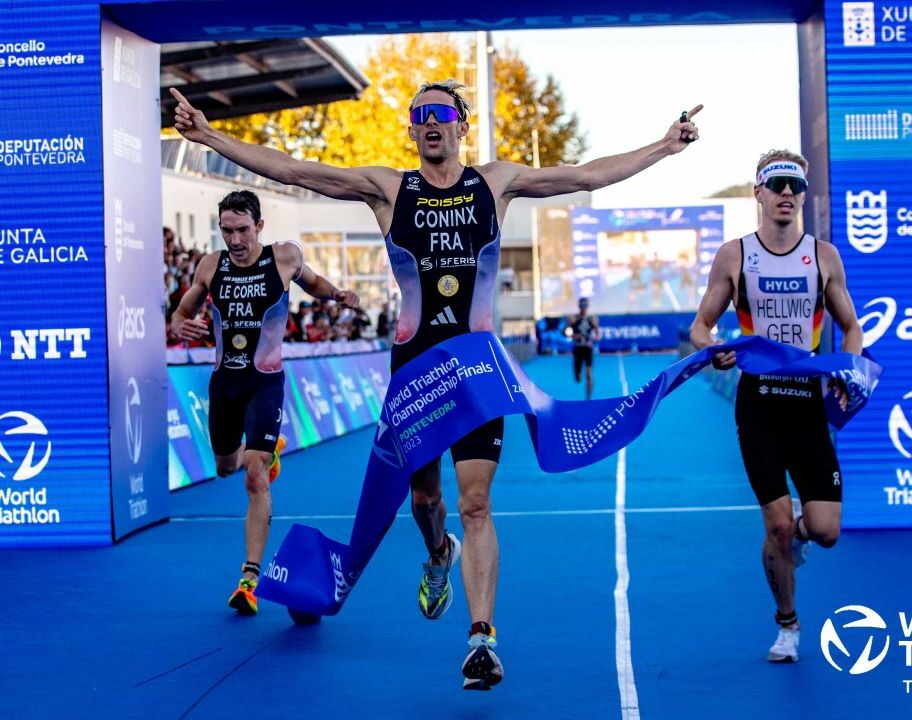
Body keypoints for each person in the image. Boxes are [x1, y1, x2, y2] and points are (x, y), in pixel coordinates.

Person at [171, 81, 701, 689]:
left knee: (476, 501)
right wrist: (208, 135)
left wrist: (662, 147)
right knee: (425, 501)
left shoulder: (494, 184)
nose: (430, 123)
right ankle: (436, 553)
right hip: (415, 373)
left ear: (461, 126)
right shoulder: (390, 190)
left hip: (476, 369)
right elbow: (295, 168)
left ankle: (481, 640)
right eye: (420, 115)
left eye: (441, 114)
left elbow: (583, 176)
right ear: (412, 130)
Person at [690, 150, 862, 663]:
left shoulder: (824, 256)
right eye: (777, 185)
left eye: (795, 186)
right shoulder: (735, 255)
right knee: (778, 526)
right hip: (758, 402)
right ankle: (787, 624)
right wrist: (712, 348)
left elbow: (850, 327)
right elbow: (701, 326)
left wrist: (848, 371)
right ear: (759, 194)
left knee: (824, 531)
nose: (787, 194)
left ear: (802, 196)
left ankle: (801, 538)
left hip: (807, 402)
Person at [171, 190, 359, 616]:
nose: (235, 240)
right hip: (224, 384)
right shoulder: (210, 265)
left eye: (242, 230)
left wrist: (339, 295)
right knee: (226, 467)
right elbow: (181, 313)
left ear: (259, 226)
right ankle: (265, 453)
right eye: (226, 230)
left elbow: (314, 284)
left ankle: (249, 578)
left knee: (255, 475)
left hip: (265, 381)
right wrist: (183, 325)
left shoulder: (284, 257)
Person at [568, 297, 600, 399]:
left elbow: (598, 333)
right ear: (579, 306)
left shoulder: (592, 319)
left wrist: (595, 338)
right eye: (582, 306)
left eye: (585, 306)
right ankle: (577, 374)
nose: (584, 308)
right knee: (578, 378)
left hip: (588, 348)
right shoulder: (573, 319)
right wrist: (573, 336)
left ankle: (588, 398)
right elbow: (565, 332)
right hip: (577, 348)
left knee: (589, 373)